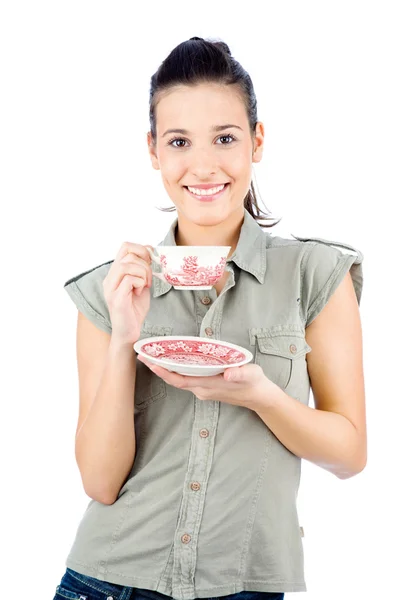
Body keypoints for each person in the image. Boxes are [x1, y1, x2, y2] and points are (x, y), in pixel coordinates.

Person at [54, 37, 366, 600]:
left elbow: (349, 454)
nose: (203, 166)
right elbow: (99, 483)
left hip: (247, 585)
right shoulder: (112, 290)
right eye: (179, 142)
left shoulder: (316, 273)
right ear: (154, 151)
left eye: (225, 138)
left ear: (257, 141)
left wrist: (260, 395)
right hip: (110, 582)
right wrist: (125, 336)